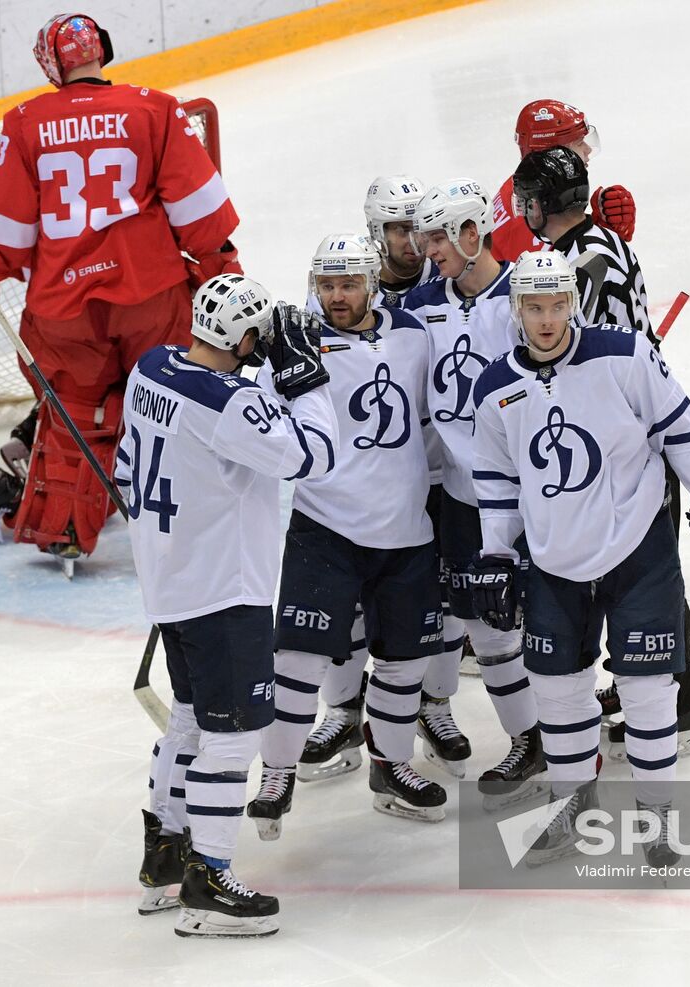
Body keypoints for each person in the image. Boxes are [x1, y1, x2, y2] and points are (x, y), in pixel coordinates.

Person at [468, 250, 690, 867]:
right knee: (559, 690)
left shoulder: (623, 355)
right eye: (534, 307)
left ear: (574, 302)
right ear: (516, 309)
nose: (547, 320)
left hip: (637, 548)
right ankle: (573, 805)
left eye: (557, 305)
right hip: (553, 559)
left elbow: (682, 426)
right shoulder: (494, 389)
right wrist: (495, 552)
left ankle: (659, 815)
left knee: (647, 689)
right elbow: (495, 476)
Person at [0, 13, 242, 576]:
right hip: (151, 294)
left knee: (80, 414)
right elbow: (200, 213)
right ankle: (187, 520)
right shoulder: (155, 108)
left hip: (63, 309)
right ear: (101, 49)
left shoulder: (25, 123)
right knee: (168, 400)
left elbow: (2, 238)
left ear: (51, 64)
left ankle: (66, 529)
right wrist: (224, 269)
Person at [121, 273, 336, 937]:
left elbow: (149, 457)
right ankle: (209, 877)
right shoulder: (230, 405)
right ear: (245, 338)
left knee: (188, 718)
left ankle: (165, 855)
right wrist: (308, 378)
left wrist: (262, 378)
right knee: (232, 734)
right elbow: (315, 455)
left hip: (170, 584)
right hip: (223, 591)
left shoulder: (151, 368)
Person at [512, 145, 690, 757]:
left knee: (646, 574)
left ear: (545, 203)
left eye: (529, 200)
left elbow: (579, 353)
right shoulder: (599, 245)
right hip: (631, 426)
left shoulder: (574, 265)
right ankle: (666, 689)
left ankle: (675, 699)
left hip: (630, 437)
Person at [248, 234, 447, 832]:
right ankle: (278, 774)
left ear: (372, 281)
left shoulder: (414, 333)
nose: (337, 296)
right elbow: (253, 420)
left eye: (349, 284)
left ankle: (391, 766)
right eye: (326, 285)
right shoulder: (297, 343)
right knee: (297, 661)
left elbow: (438, 414)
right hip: (326, 526)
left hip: (407, 531)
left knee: (404, 662)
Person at [299, 177, 467, 783]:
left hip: (431, 482)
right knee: (348, 615)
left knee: (437, 608)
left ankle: (431, 708)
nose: (412, 242)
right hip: (355, 492)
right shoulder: (320, 314)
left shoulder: (435, 293)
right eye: (398, 230)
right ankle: (343, 713)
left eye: (416, 229)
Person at [401, 180, 544, 811]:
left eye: (436, 237)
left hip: (529, 495)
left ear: (470, 233)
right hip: (460, 497)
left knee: (542, 624)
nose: (425, 250)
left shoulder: (523, 297)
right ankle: (531, 737)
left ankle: (568, 732)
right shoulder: (423, 306)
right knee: (482, 627)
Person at [489, 99, 636, 264]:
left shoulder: (530, 193)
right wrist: (603, 233)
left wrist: (598, 229)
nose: (587, 149)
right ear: (552, 156)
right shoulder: (530, 219)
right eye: (579, 143)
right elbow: (561, 284)